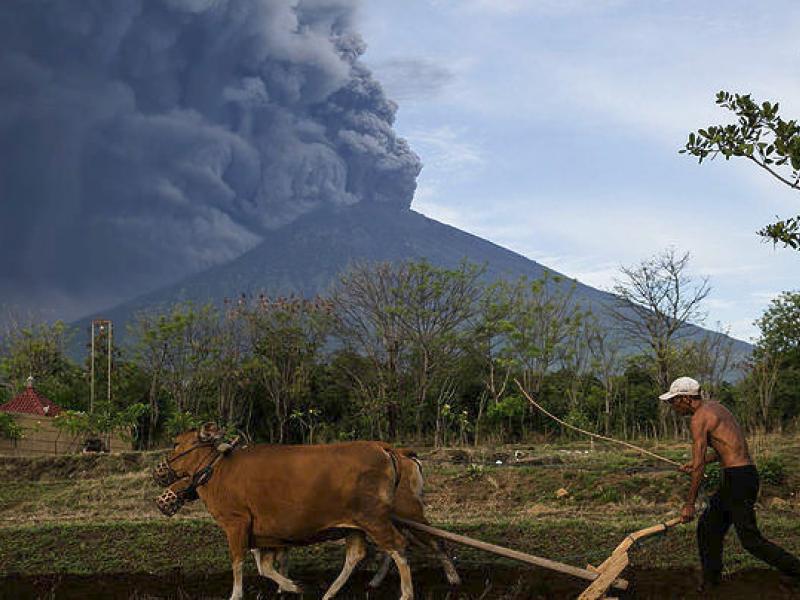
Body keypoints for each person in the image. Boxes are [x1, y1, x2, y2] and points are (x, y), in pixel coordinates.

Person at [660, 376, 800, 591]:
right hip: (743, 476)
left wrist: (689, 504)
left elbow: (699, 468)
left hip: (738, 479)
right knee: (708, 528)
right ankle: (711, 583)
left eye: (674, 400)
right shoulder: (717, 408)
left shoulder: (699, 418)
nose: (672, 406)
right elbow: (728, 450)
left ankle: (796, 570)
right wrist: (698, 462)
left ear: (687, 398)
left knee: (751, 540)